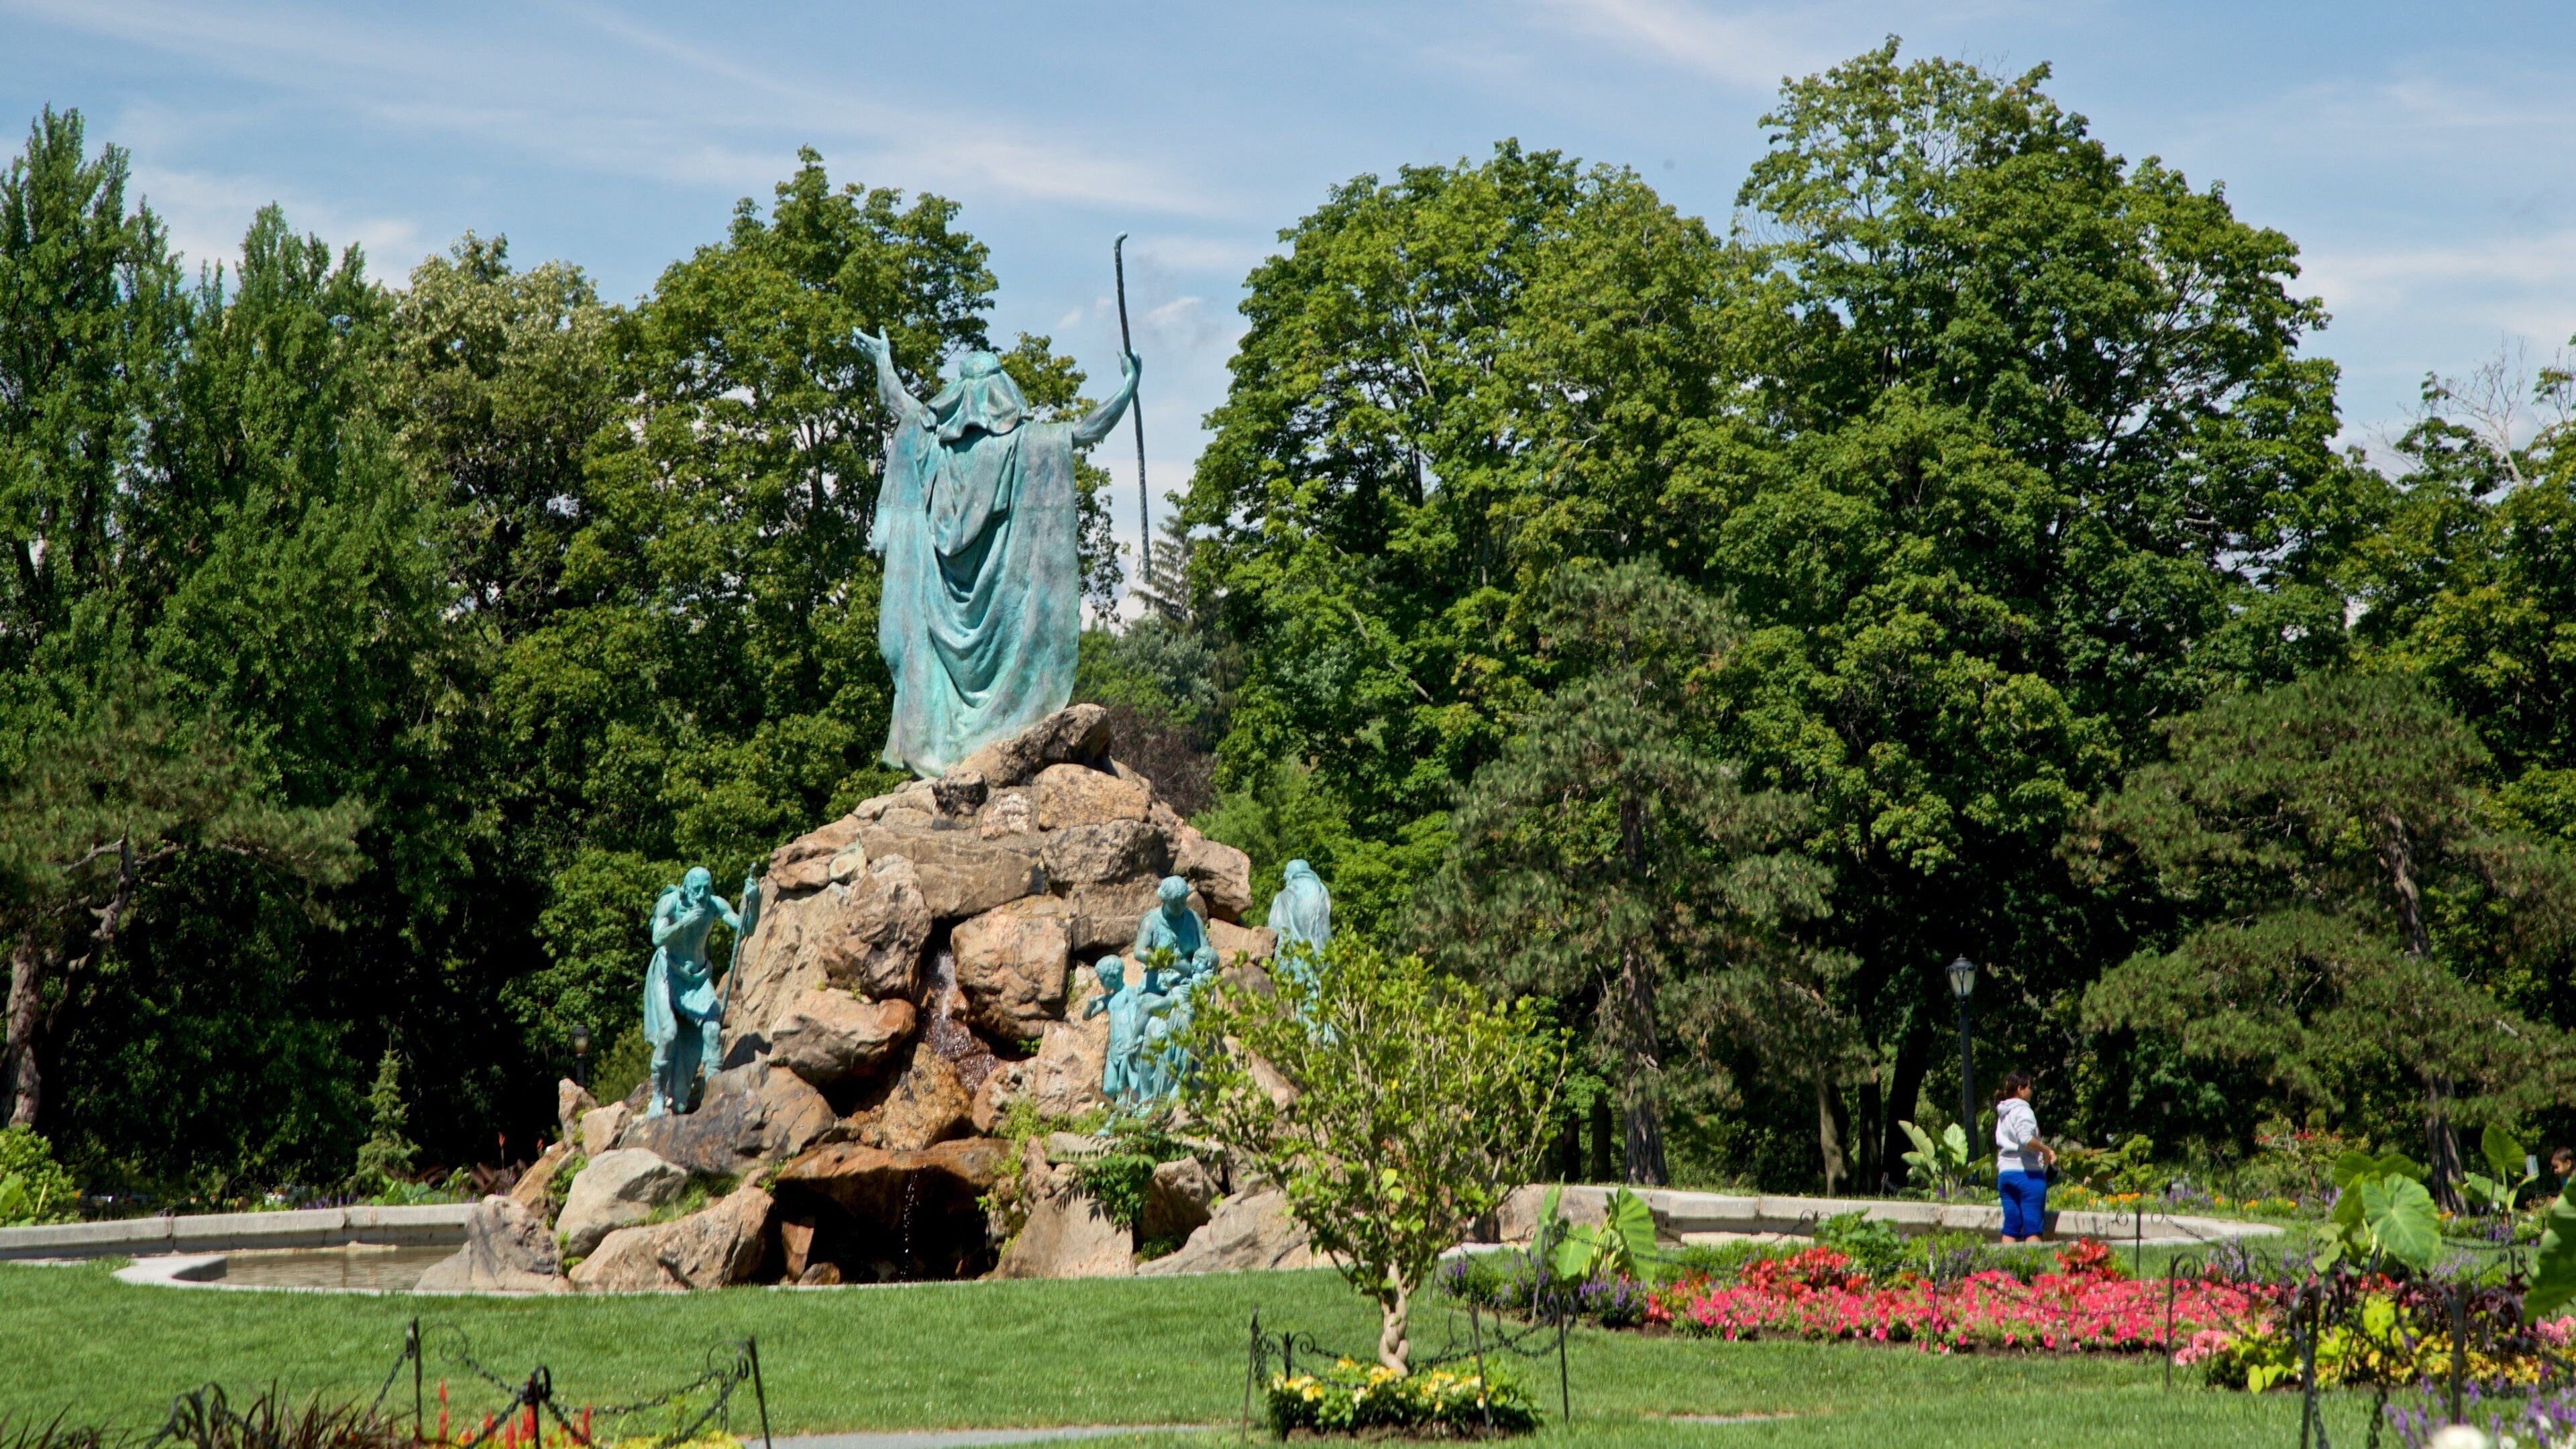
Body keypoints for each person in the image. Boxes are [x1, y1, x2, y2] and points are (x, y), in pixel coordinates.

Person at [1994, 1070, 2055, 1244]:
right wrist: (2046, 1150)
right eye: (2030, 1087)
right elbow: (2026, 1139)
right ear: (2021, 1089)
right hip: (2027, 1175)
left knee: (2011, 1226)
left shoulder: (2003, 1112)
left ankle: (2007, 1268)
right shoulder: (2023, 1110)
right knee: (2033, 1227)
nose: (2031, 1091)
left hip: (2006, 1174)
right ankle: (2035, 1269)